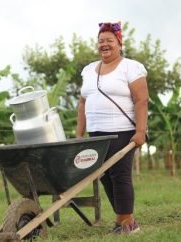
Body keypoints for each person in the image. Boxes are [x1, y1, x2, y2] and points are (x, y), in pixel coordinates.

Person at [76, 22, 149, 235]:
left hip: (123, 131)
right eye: (100, 41)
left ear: (119, 43)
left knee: (119, 174)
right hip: (96, 133)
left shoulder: (131, 67)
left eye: (109, 40)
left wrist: (140, 131)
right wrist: (79, 134)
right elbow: (82, 104)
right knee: (105, 175)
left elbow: (142, 100)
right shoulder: (89, 70)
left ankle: (127, 225)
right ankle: (124, 222)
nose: (104, 44)